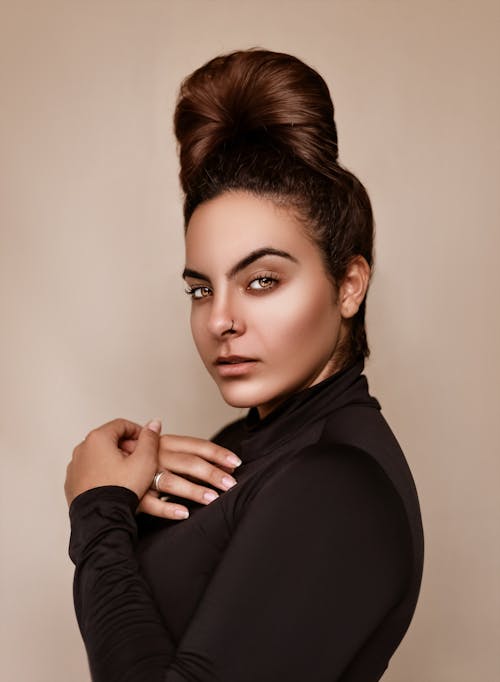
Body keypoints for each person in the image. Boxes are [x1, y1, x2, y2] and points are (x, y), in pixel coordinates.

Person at [65, 48, 424, 682]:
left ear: (349, 285)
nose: (219, 320)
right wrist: (126, 500)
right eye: (201, 289)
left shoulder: (339, 485)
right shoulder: (245, 446)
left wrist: (98, 511)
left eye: (261, 281)